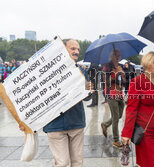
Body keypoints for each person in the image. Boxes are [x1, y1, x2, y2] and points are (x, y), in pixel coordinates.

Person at [20, 39, 90, 167]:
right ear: (63, 49)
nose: (76, 52)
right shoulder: (46, 73)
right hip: (55, 125)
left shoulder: (81, 71)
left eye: (78, 49)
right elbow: (32, 98)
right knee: (61, 163)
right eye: (73, 48)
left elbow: (86, 98)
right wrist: (25, 121)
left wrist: (89, 90)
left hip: (76, 123)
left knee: (77, 162)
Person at [122, 52, 154, 167]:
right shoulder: (137, 82)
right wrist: (126, 133)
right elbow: (131, 109)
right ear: (147, 63)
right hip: (145, 131)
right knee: (149, 163)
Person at [101, 49, 125, 148]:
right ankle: (116, 140)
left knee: (119, 116)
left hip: (120, 95)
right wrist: (115, 74)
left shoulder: (121, 66)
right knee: (116, 118)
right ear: (111, 56)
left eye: (119, 55)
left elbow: (124, 82)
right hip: (111, 95)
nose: (118, 57)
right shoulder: (107, 66)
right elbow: (107, 82)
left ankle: (105, 124)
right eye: (116, 55)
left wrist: (122, 74)